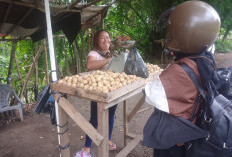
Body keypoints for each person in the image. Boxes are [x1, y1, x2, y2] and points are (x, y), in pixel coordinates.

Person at [142, 1, 221, 157]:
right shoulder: (206, 59)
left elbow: (150, 93)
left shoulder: (178, 71)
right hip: (191, 129)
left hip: (173, 136)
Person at [75, 30, 117, 157]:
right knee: (94, 119)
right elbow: (89, 65)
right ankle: (87, 148)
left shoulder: (111, 53)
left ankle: (108, 140)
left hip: (113, 90)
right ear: (97, 41)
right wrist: (109, 60)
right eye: (102, 38)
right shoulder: (94, 53)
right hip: (98, 93)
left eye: (108, 37)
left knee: (111, 116)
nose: (106, 40)